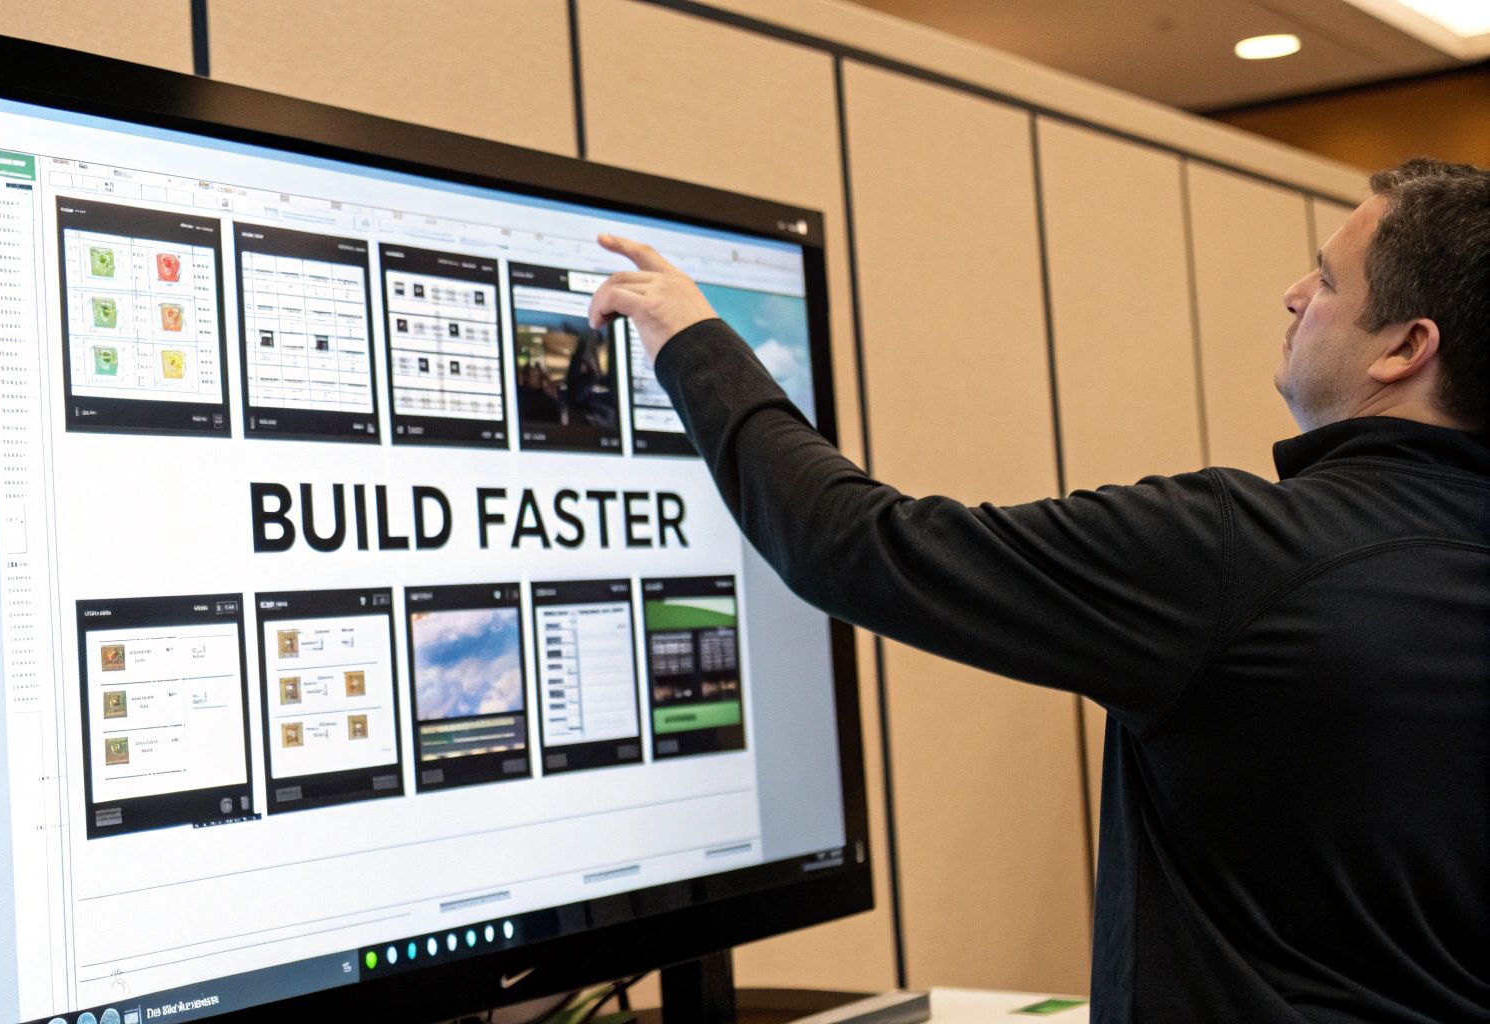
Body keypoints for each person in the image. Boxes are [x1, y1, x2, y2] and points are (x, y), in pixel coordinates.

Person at [587, 158, 1489, 1023]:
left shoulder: (1241, 552)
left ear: (1406, 348)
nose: (1294, 295)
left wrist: (692, 343)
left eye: (1328, 281)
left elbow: (853, 545)